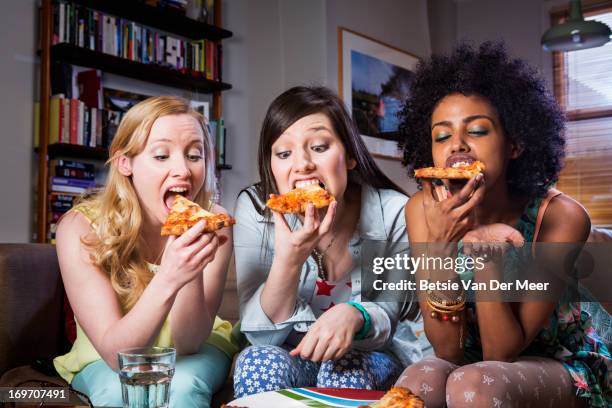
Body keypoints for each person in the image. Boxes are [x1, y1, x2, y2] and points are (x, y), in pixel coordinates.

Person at [395, 42, 611, 407]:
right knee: (419, 380)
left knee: (475, 384)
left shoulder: (560, 217)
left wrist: (486, 257)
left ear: (514, 144)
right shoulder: (423, 209)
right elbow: (447, 347)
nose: (457, 145)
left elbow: (502, 351)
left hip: (565, 362)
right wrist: (443, 246)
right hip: (472, 362)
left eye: (477, 131)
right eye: (442, 135)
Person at [232, 86, 424, 397]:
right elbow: (261, 338)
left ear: (349, 155)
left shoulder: (394, 213)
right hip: (290, 355)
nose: (302, 164)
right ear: (271, 165)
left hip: (370, 357)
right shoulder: (256, 209)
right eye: (283, 153)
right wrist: (289, 259)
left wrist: (354, 315)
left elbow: (389, 314)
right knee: (255, 362)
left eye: (319, 147)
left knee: (343, 367)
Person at [53, 96, 239, 407]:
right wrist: (168, 276)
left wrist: (187, 272)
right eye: (162, 155)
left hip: (197, 350)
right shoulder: (79, 227)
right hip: (105, 356)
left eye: (195, 155)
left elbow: (189, 341)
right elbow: (116, 356)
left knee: (181, 389)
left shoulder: (214, 222)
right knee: (119, 393)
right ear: (125, 162)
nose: (182, 169)